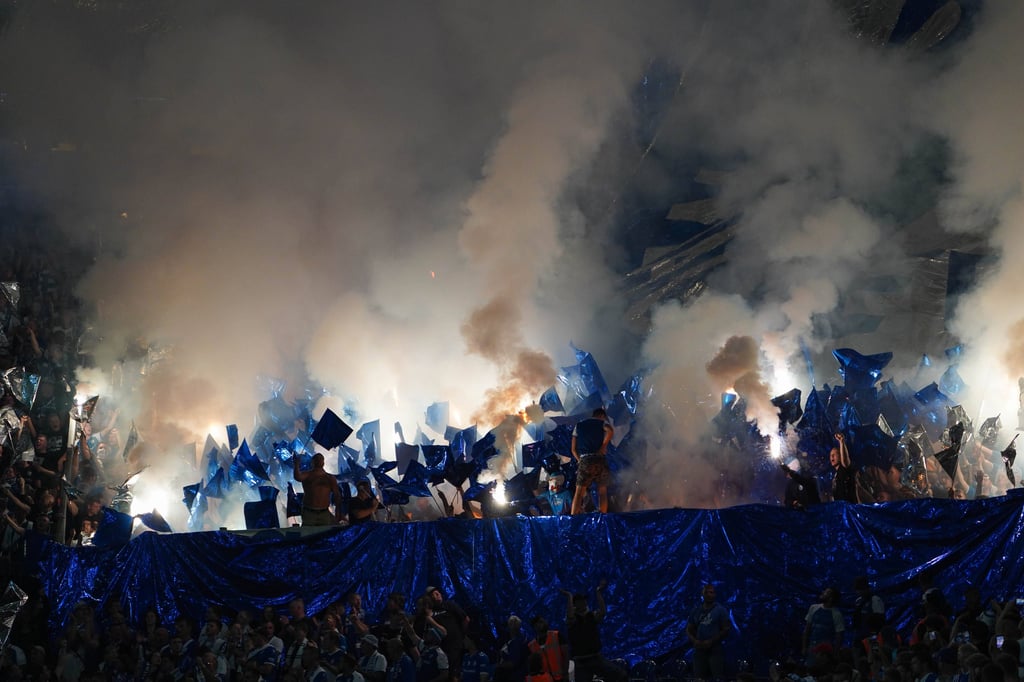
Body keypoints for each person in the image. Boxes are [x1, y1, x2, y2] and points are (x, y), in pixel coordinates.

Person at [562, 581, 626, 682]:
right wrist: (569, 597)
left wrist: (598, 592)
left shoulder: (591, 615)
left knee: (620, 675)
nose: (584, 602)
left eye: (584, 600)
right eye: (580, 601)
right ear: (575, 604)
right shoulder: (572, 618)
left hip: (595, 656)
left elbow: (602, 612)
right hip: (580, 660)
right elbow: (570, 616)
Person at [570, 408, 614, 515]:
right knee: (602, 491)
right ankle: (602, 517)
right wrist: (603, 446)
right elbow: (610, 430)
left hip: (585, 459)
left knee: (579, 493)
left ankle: (573, 518)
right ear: (602, 416)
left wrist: (580, 460)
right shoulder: (601, 423)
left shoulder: (578, 425)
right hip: (599, 459)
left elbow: (573, 449)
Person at [686, 583, 731, 680]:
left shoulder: (721, 610)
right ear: (702, 594)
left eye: (712, 592)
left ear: (715, 594)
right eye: (706, 592)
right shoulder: (696, 610)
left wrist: (711, 641)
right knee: (699, 678)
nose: (709, 595)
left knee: (717, 677)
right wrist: (695, 641)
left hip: (715, 650)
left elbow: (726, 629)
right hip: (699, 650)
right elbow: (689, 628)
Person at [425, 585, 469, 680]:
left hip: (455, 645)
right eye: (433, 594)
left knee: (454, 673)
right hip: (441, 648)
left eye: (438, 592)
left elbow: (465, 619)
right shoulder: (431, 612)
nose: (437, 594)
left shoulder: (449, 605)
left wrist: (461, 635)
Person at [293, 453, 344, 526]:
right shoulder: (308, 475)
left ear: (323, 462)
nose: (319, 461)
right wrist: (296, 464)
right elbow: (297, 477)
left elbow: (337, 495)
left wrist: (338, 511)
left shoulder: (329, 478)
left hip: (324, 512)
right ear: (313, 462)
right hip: (309, 511)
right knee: (309, 531)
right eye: (317, 459)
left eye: (320, 459)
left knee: (324, 531)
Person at [803, 587, 844, 666]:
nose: (823, 593)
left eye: (826, 592)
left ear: (831, 598)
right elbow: (807, 629)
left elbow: (839, 636)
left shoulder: (836, 614)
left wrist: (835, 652)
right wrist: (804, 647)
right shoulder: (813, 608)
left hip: (826, 650)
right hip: (812, 646)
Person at [527, 615, 568, 682]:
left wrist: (565, 673)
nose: (542, 624)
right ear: (535, 627)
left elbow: (566, 655)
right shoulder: (531, 646)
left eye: (542, 621)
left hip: (561, 677)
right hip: (545, 679)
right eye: (539, 622)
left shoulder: (556, 635)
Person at [830, 433, 859, 503]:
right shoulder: (835, 474)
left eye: (834, 454)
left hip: (850, 507)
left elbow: (845, 460)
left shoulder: (844, 468)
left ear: (840, 456)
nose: (832, 457)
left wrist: (841, 442)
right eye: (830, 455)